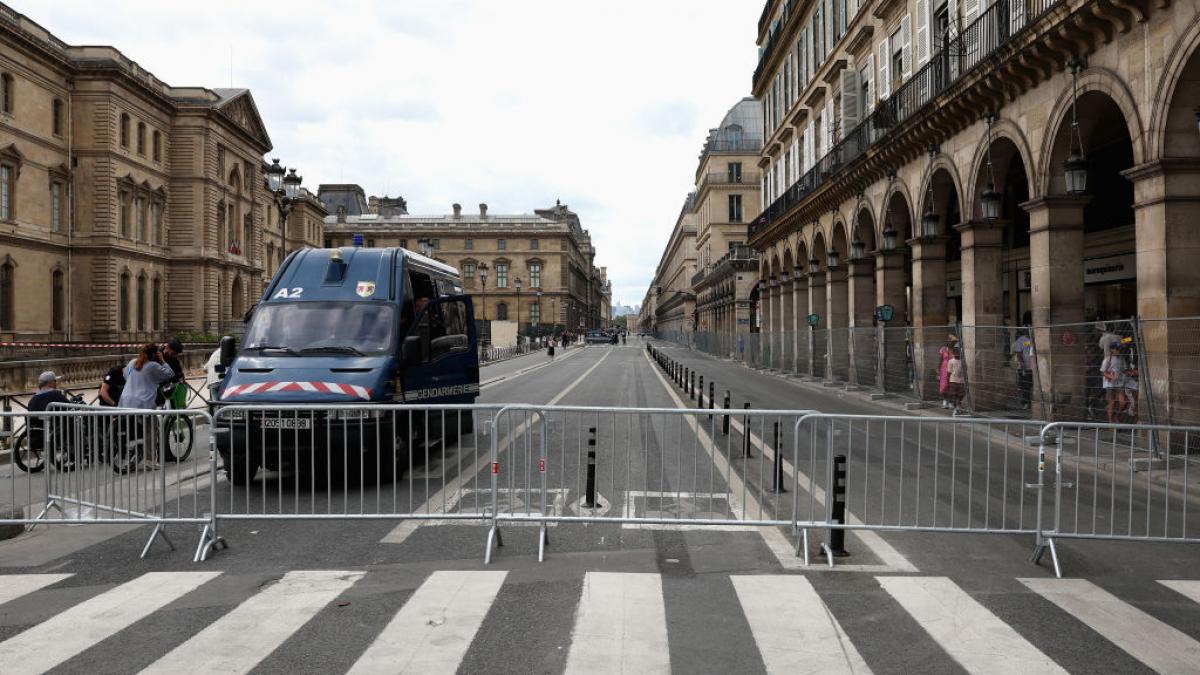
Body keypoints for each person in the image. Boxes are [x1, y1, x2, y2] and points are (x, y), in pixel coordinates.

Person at [119, 344, 176, 469]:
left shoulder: (133, 362)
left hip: (126, 400)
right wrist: (162, 360)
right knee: (151, 430)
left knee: (132, 428)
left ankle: (132, 454)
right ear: (154, 355)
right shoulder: (153, 366)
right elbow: (170, 374)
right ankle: (149, 460)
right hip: (143, 402)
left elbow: (125, 375)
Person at [28, 371, 70, 455]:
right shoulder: (55, 394)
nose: (56, 383)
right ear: (50, 383)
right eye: (55, 381)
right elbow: (69, 405)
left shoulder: (33, 398)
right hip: (53, 429)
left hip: (36, 431)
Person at [1100, 344, 1127, 425]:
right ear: (1112, 350)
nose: (1119, 351)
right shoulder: (1107, 359)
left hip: (1119, 383)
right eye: (1117, 349)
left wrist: (1130, 372)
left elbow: (1124, 369)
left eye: (1119, 349)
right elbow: (1103, 372)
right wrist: (1111, 376)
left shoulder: (1122, 358)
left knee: (1123, 402)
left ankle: (1117, 416)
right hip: (1110, 384)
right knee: (1112, 403)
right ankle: (1110, 422)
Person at [1011, 330, 1035, 411]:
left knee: (1031, 386)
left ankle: (1031, 402)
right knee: (1025, 386)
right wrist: (1023, 367)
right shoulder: (1022, 340)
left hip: (1033, 368)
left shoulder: (1034, 339)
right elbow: (1019, 354)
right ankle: (1026, 403)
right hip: (1025, 368)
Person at [160, 338, 186, 410]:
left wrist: (180, 376)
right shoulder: (158, 356)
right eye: (173, 353)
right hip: (160, 392)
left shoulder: (174, 359)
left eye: (176, 354)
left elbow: (179, 372)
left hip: (172, 390)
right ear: (168, 348)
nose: (174, 355)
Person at [938, 336, 956, 409]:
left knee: (951, 386)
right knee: (944, 386)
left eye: (953, 342)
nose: (951, 343)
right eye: (950, 341)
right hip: (944, 370)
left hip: (953, 370)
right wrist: (938, 369)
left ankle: (951, 401)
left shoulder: (955, 350)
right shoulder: (943, 349)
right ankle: (945, 400)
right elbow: (940, 360)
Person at [946, 348, 965, 414]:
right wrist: (948, 379)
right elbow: (949, 371)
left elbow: (965, 370)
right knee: (953, 394)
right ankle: (955, 407)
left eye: (958, 352)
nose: (957, 354)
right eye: (955, 353)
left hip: (962, 380)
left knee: (961, 393)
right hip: (953, 380)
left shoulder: (963, 361)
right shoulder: (951, 361)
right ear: (953, 354)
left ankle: (958, 404)